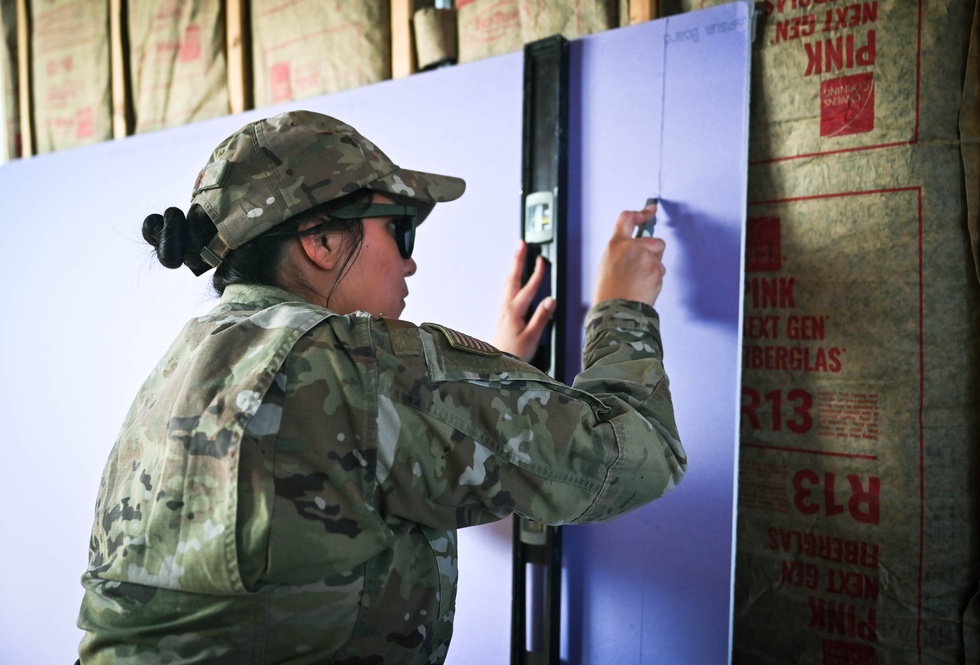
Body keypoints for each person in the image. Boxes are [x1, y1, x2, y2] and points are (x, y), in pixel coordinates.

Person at [77, 110, 685, 664]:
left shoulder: (181, 368)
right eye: (400, 231)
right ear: (320, 241)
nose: (410, 262)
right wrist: (622, 307)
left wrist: (488, 373)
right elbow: (643, 451)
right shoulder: (364, 366)